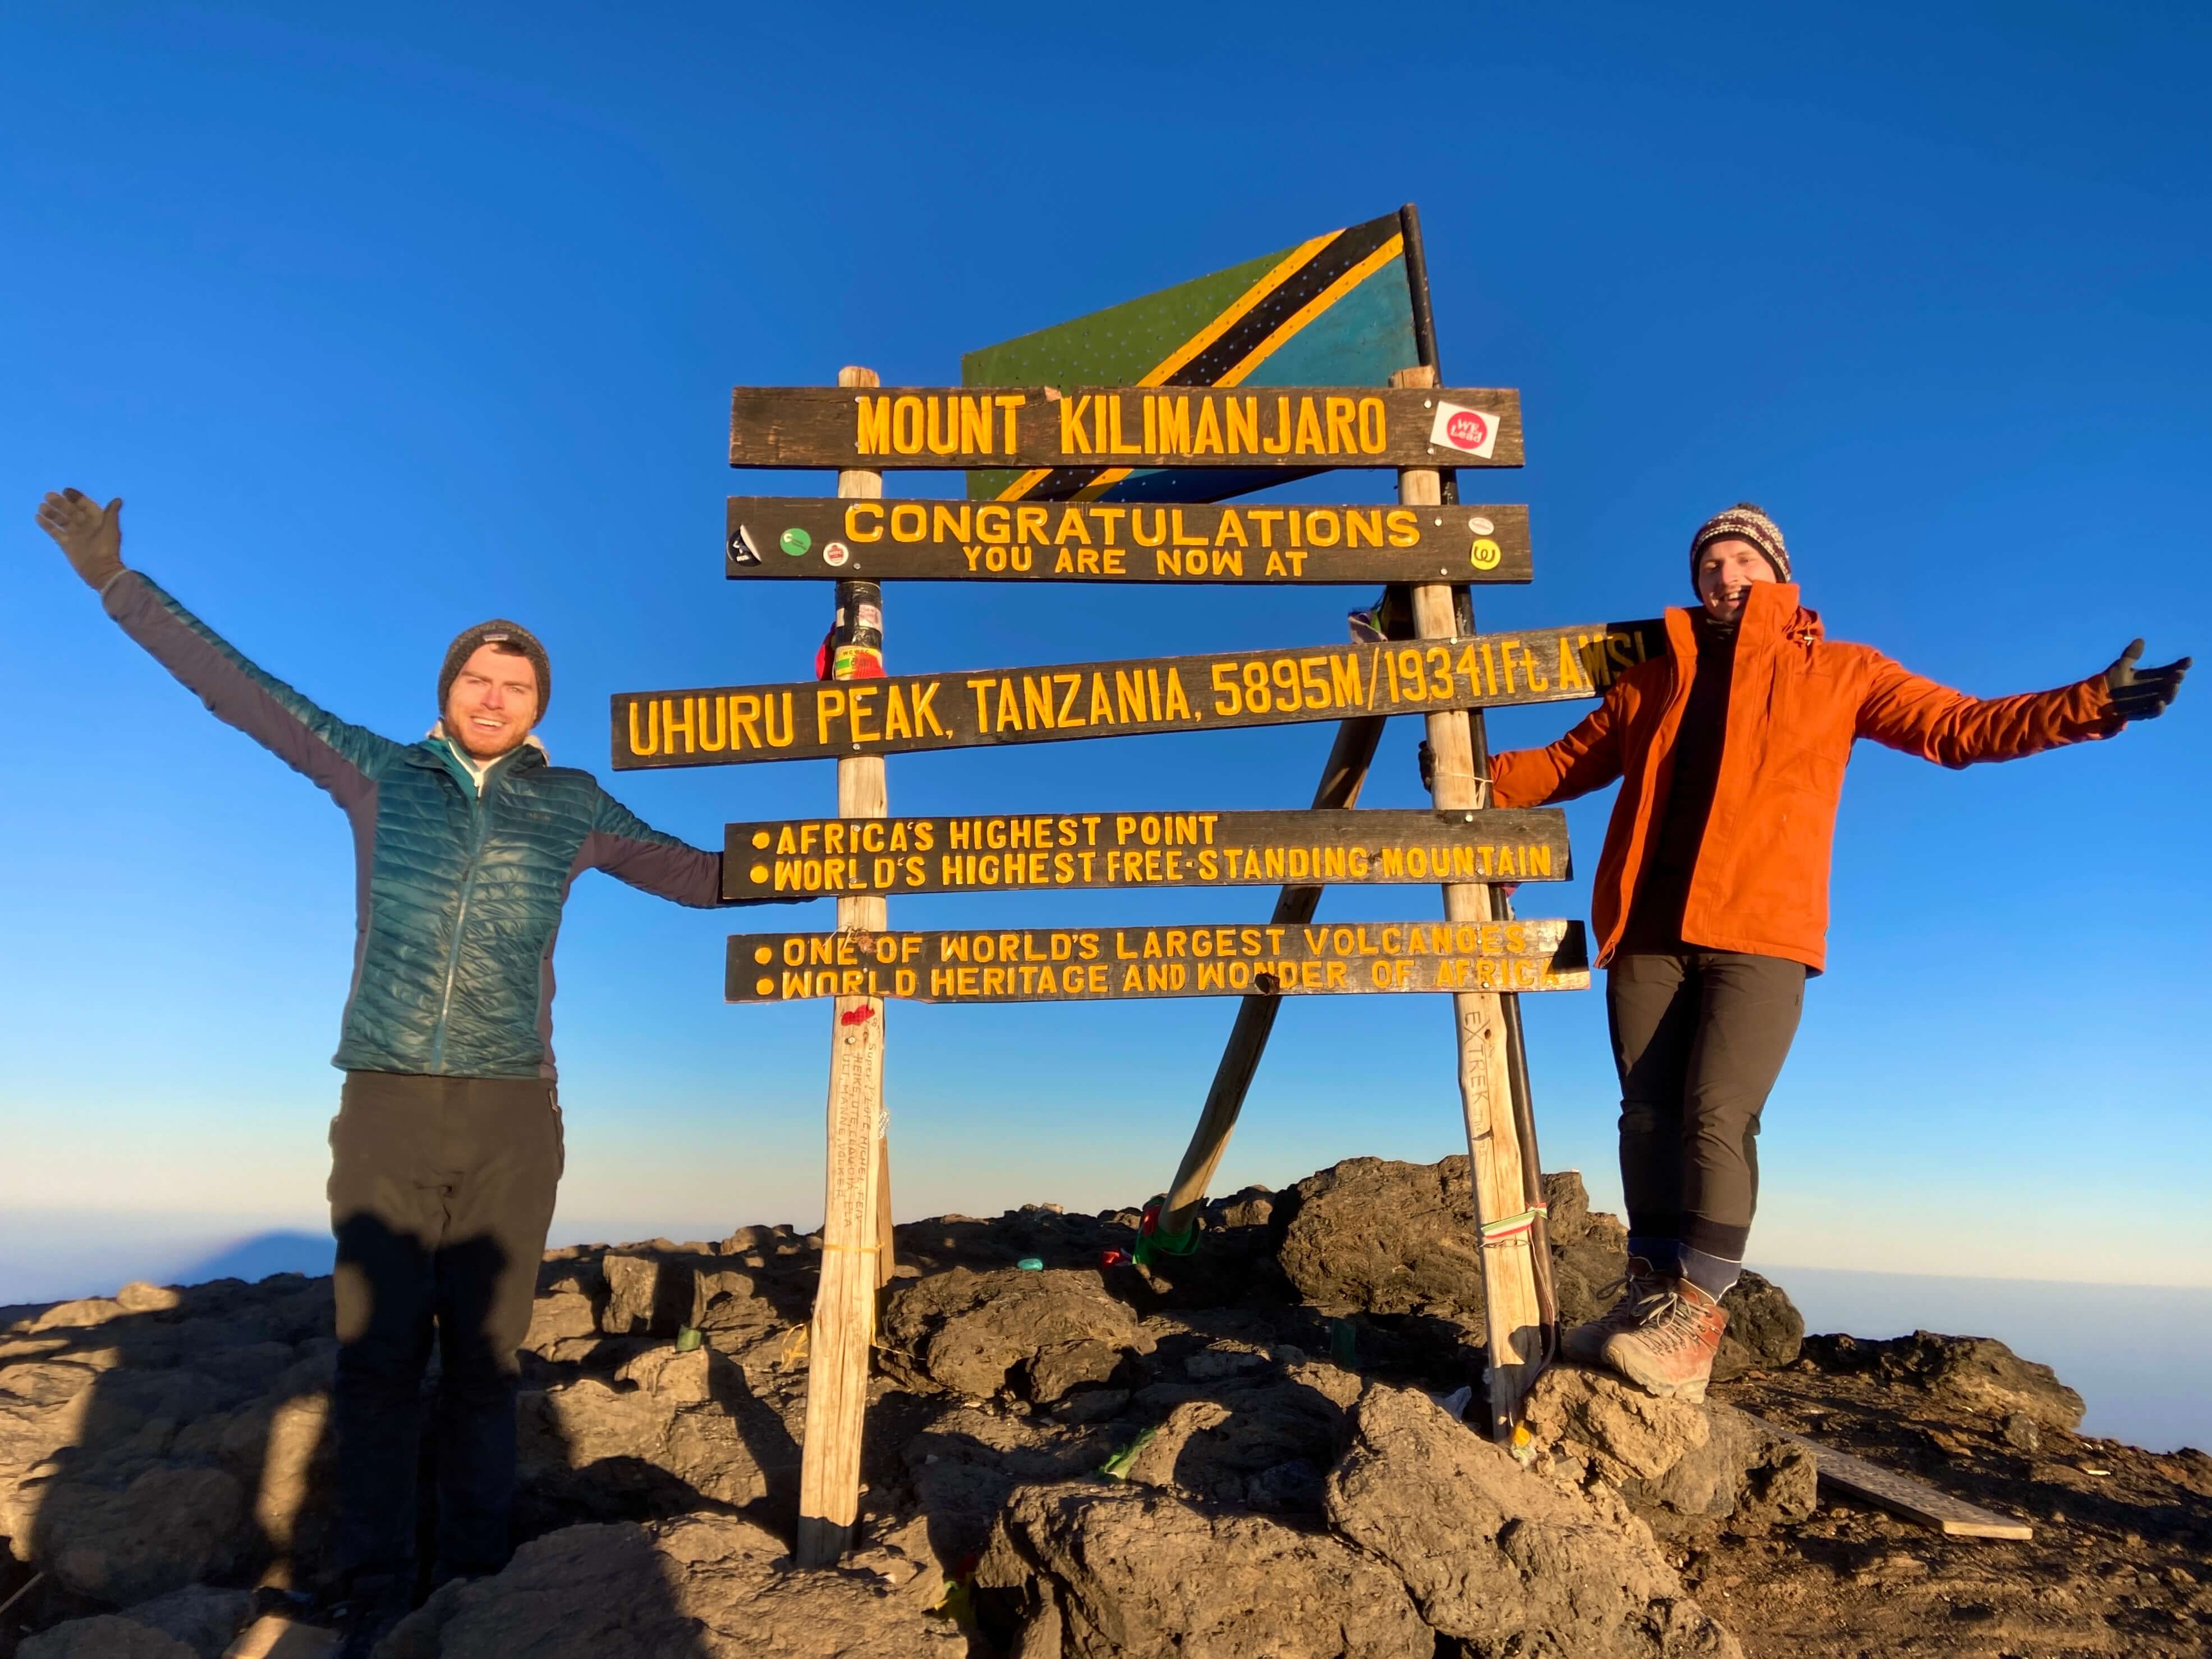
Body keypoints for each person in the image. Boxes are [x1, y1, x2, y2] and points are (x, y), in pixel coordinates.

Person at [35, 487, 758, 1653]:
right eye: (478, 675)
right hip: (386, 1105)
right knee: (376, 1363)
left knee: (482, 1363)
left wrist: (843, 857)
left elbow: (699, 875)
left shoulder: (572, 805)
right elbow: (243, 689)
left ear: (539, 709)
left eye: (516, 684)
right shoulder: (381, 773)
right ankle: (370, 1583)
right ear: (447, 689)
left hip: (515, 1114)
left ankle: (474, 1579)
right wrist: (117, 584)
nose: (494, 695)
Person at [1486, 503, 2188, 1404]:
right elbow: (1559, 764)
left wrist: (2084, 704)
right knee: (1645, 1117)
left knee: (1715, 1113)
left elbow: (1958, 726)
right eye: (1709, 565)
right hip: (1645, 931)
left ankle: (1692, 1324)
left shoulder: (1841, 670)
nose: (1724, 577)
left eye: (1742, 560)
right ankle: (1647, 1298)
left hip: (1761, 930)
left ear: (1777, 573)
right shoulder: (1651, 682)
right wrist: (1460, 759)